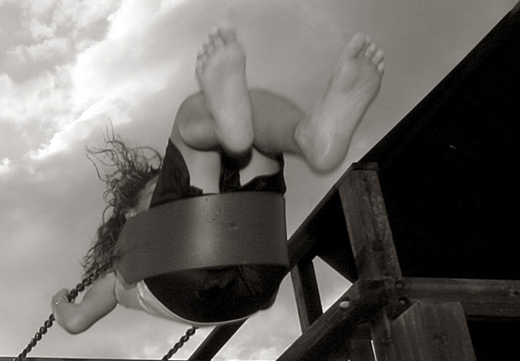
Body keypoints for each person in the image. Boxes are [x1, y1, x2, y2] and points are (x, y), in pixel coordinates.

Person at [53, 24, 385, 331]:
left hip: (246, 274)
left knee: (247, 134)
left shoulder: (119, 273)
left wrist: (61, 302)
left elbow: (76, 320)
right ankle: (238, 126)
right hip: (207, 271)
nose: (166, 185)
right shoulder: (126, 258)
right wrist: (63, 300)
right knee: (191, 114)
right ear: (130, 215)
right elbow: (76, 318)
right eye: (156, 187)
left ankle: (308, 137)